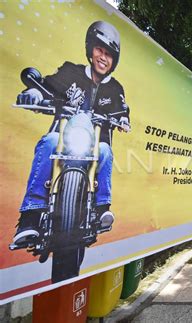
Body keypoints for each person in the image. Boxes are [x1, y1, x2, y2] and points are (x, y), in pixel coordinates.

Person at [13, 21, 131, 245]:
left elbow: (123, 110)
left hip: (95, 144)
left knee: (105, 150)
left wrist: (123, 119)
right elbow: (44, 85)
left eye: (108, 54)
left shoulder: (115, 88)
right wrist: (34, 93)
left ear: (114, 60)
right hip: (64, 139)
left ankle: (101, 207)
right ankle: (31, 214)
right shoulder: (70, 72)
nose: (103, 57)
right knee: (48, 141)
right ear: (90, 49)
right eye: (99, 50)